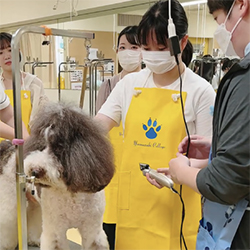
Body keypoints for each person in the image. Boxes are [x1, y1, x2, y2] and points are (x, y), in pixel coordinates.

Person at [95, 0, 216, 249]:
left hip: (176, 200)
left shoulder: (200, 91)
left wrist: (182, 168)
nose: (152, 55)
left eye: (161, 47)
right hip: (134, 202)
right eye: (146, 47)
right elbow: (97, 127)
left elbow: (211, 157)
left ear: (181, 42)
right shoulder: (129, 84)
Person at [154, 0, 250, 249]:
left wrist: (181, 172)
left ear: (241, 5)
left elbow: (227, 180)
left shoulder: (243, 81)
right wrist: (218, 147)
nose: (222, 30)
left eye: (219, 20)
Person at [96, 25, 141, 250]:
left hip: (141, 162)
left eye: (134, 46)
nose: (128, 52)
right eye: (123, 47)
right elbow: (98, 129)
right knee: (111, 228)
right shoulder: (109, 85)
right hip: (114, 164)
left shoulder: (151, 84)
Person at [0, 32, 45, 132]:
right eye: (0, 53)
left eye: (10, 50)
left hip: (29, 143)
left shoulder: (34, 83)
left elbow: (43, 118)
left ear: (18, 52)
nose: (7, 56)